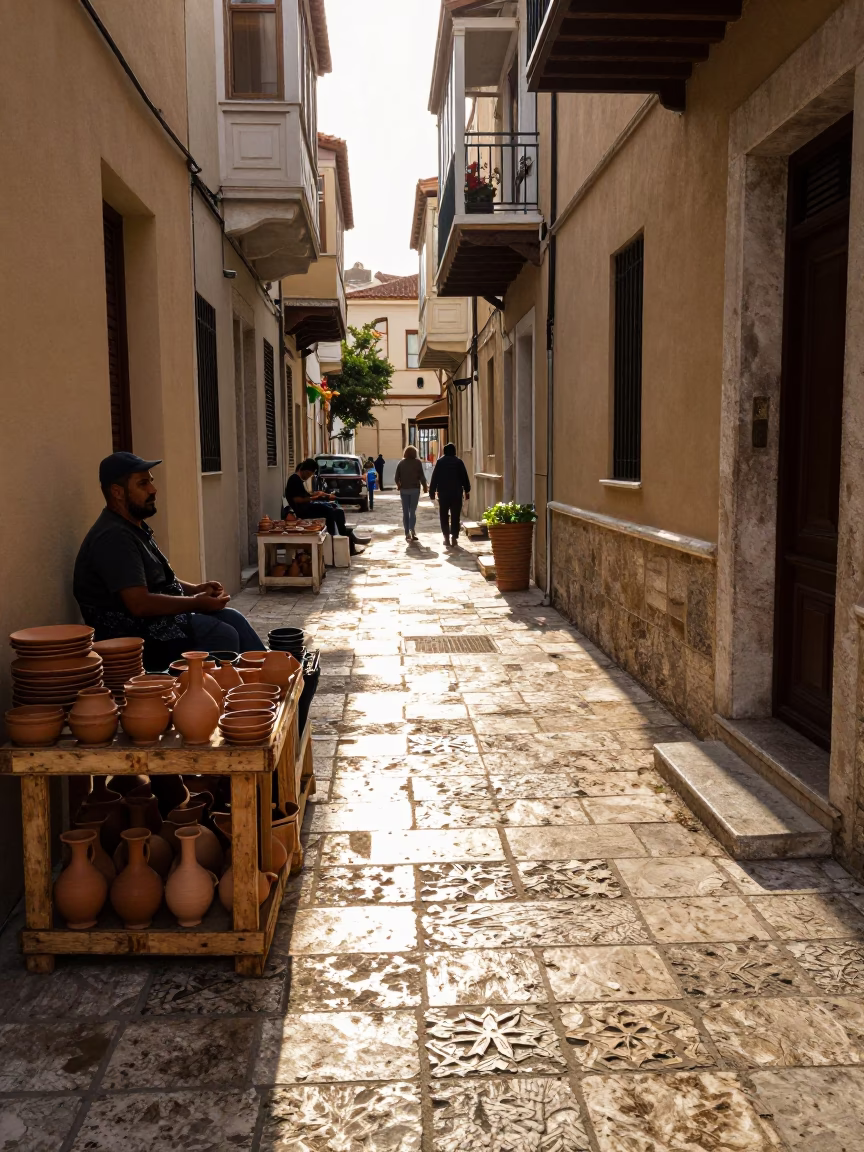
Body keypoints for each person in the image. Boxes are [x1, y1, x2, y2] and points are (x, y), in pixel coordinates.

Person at [73, 452, 266, 671]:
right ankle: (210, 700)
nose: (153, 490)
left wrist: (195, 589)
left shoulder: (133, 527)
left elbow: (157, 581)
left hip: (157, 622)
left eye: (151, 482)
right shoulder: (113, 537)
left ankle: (276, 680)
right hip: (136, 636)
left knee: (234, 619)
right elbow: (139, 603)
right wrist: (196, 602)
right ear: (117, 492)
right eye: (143, 484)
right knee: (222, 634)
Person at [284, 459, 367, 554]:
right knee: (329, 511)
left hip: (307, 506)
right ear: (305, 471)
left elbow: (305, 495)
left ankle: (344, 534)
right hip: (302, 510)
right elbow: (297, 499)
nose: (308, 477)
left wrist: (319, 494)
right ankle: (335, 536)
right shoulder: (294, 480)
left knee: (336, 508)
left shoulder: (298, 480)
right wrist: (315, 498)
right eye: (309, 474)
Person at [429, 442, 471, 547]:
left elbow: (435, 478)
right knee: (455, 516)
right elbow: (464, 477)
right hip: (456, 493)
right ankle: (454, 537)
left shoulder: (440, 462)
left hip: (443, 494)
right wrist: (467, 490)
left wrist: (432, 492)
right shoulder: (459, 462)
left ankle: (446, 537)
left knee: (444, 516)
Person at [394, 445, 428, 542]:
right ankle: (412, 530)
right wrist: (425, 487)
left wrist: (399, 485)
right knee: (412, 511)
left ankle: (406, 533)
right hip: (415, 490)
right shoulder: (417, 463)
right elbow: (422, 476)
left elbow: (396, 478)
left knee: (405, 512)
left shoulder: (401, 463)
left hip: (404, 490)